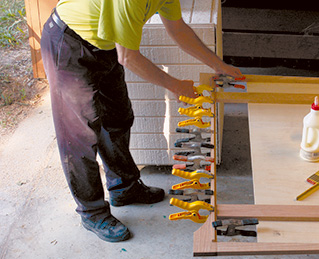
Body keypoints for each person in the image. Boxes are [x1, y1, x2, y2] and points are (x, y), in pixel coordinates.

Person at [40, 0, 242, 242]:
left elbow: (178, 29)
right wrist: (176, 86)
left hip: (103, 47)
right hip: (69, 43)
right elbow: (129, 57)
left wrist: (219, 65)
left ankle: (124, 188)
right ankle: (92, 212)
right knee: (80, 137)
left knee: (118, 118)